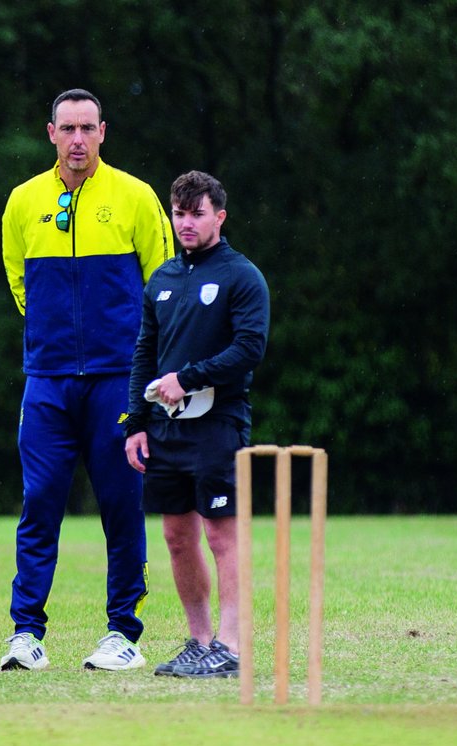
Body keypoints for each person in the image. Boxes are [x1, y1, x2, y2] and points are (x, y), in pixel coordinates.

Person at [0, 88, 172, 672]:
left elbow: (162, 288)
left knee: (121, 506)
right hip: (47, 381)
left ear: (104, 132)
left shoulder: (135, 197)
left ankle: (123, 632)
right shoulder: (24, 201)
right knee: (39, 504)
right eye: (66, 129)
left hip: (117, 383)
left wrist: (137, 366)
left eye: (87, 129)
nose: (77, 140)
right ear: (50, 132)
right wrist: (56, 338)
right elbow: (20, 285)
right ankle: (26, 634)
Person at [123, 171, 270, 678]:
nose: (186, 223)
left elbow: (249, 350)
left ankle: (230, 646)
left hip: (218, 423)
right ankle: (200, 639)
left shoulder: (241, 275)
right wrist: (135, 422)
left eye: (197, 214)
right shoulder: (161, 279)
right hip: (165, 429)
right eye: (179, 214)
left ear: (219, 216)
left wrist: (187, 378)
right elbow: (145, 352)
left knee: (221, 535)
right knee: (177, 536)